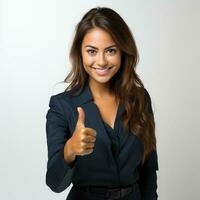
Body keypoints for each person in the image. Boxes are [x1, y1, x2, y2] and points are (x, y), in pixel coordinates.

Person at [45, 6, 159, 200]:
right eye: (92, 51)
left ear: (123, 52)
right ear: (80, 53)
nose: (101, 61)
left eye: (111, 50)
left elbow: (148, 169)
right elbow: (55, 184)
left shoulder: (140, 98)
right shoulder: (61, 106)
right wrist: (70, 149)